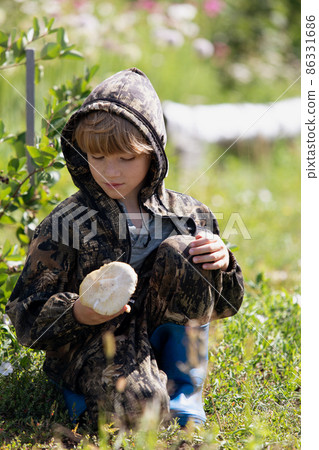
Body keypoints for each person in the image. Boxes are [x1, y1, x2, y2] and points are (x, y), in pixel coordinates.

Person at [6, 68, 244, 429]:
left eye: (126, 158)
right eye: (97, 157)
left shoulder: (189, 214)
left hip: (156, 333)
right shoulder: (67, 222)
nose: (110, 171)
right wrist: (77, 313)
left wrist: (222, 264)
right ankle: (82, 388)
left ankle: (184, 393)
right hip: (92, 342)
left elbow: (225, 304)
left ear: (153, 152)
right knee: (138, 407)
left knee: (187, 250)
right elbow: (25, 313)